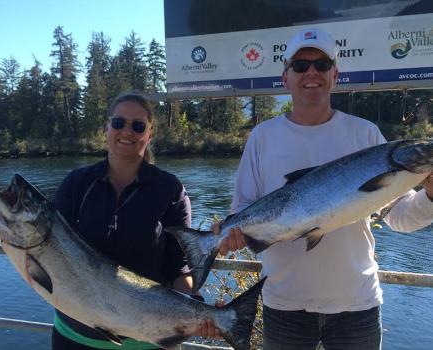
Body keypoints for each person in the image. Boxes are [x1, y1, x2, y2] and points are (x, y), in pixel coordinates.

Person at [214, 28, 433, 349]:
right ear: (285, 76)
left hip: (356, 306)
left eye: (322, 64)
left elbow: (401, 218)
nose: (311, 72)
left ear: (335, 74)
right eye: (301, 65)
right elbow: (243, 209)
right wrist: (232, 234)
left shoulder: (366, 134)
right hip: (284, 305)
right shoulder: (262, 137)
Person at [51, 93, 198, 349]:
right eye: (119, 123)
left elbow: (179, 268)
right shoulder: (76, 184)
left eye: (138, 126)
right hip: (74, 338)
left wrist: (196, 310)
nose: (126, 131)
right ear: (106, 128)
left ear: (149, 134)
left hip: (145, 341)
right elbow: (51, 250)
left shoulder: (170, 190)